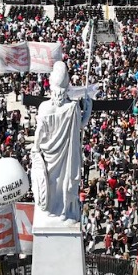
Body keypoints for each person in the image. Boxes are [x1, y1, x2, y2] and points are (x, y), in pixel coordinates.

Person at [30, 61, 92, 223]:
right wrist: (89, 110)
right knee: (65, 181)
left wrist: (35, 149)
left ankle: (51, 210)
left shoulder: (44, 107)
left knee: (50, 182)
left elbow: (39, 132)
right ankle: (65, 211)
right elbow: (81, 126)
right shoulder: (72, 107)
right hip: (67, 156)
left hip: (48, 154)